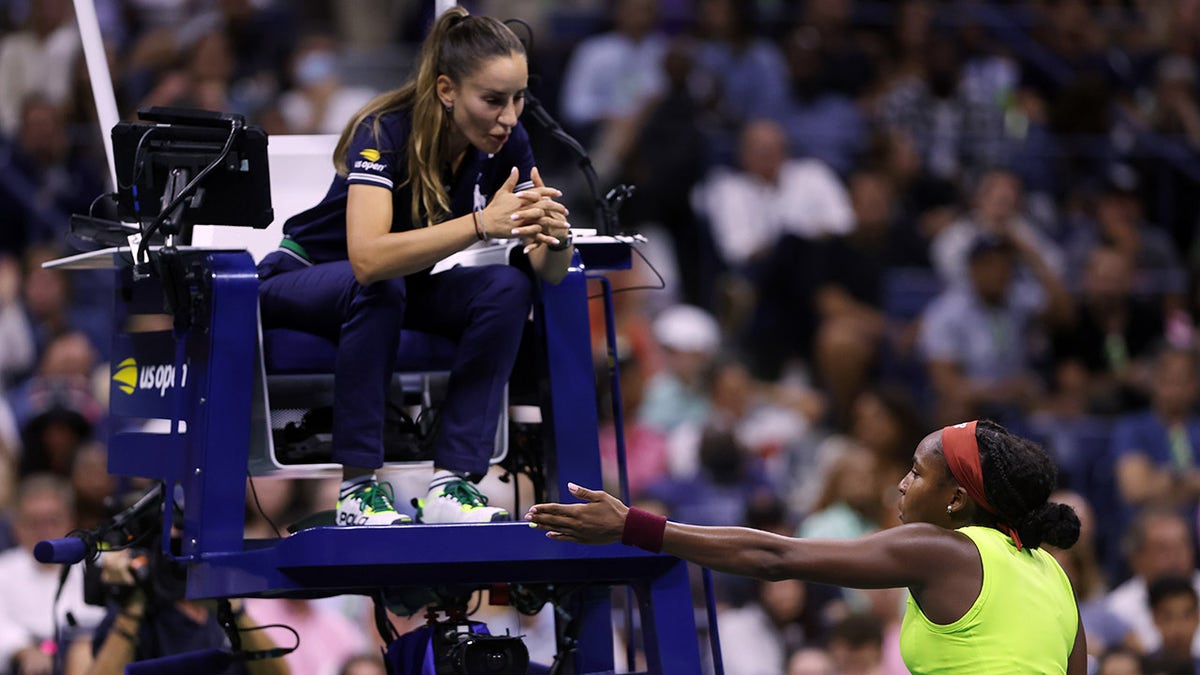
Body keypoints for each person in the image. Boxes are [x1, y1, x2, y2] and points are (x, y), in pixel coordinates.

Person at [255, 7, 572, 526]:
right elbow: (367, 258)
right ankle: (357, 489)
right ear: (447, 90)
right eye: (493, 100)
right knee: (381, 286)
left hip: (396, 287)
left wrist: (556, 240)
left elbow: (548, 272)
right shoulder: (384, 131)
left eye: (518, 98)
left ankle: (452, 484)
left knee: (508, 286)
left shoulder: (507, 142)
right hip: (299, 279)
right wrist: (479, 224)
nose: (510, 116)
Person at [527, 419, 1087, 673]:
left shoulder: (941, 549)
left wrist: (634, 527)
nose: (901, 483)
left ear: (956, 499)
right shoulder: (1053, 575)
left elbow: (777, 557)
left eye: (916, 473)